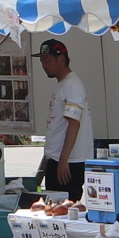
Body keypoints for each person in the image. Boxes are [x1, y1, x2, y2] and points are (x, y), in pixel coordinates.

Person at [36, 39, 89, 199]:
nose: (44, 65)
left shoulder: (71, 85)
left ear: (61, 59)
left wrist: (64, 159)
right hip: (58, 159)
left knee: (64, 206)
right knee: (55, 206)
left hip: (68, 162)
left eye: (47, 60)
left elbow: (74, 123)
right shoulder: (63, 83)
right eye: (42, 61)